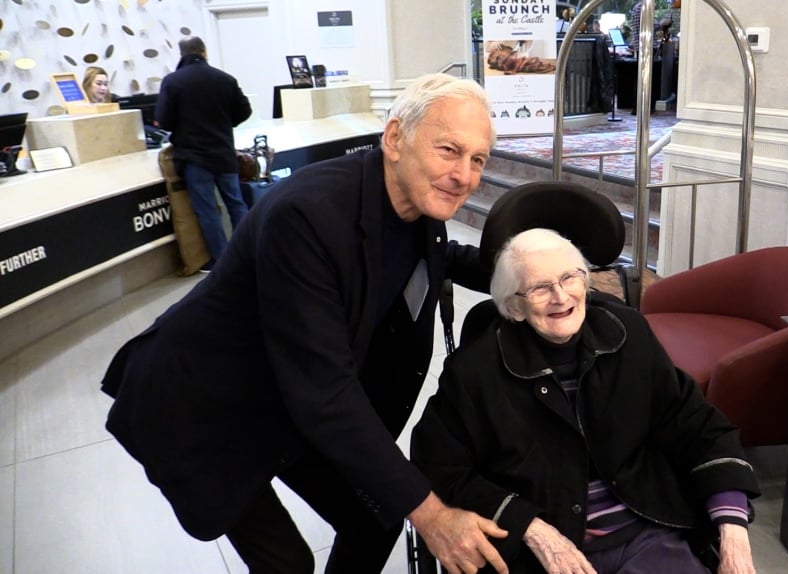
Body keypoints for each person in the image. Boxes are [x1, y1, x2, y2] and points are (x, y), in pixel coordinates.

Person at [101, 73, 509, 574]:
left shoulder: (415, 200)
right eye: (450, 150)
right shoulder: (307, 214)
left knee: (375, 516)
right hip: (204, 403)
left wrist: (537, 275)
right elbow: (324, 389)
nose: (464, 175)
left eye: (478, 160)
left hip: (284, 396)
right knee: (287, 563)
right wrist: (433, 515)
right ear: (396, 138)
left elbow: (445, 256)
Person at [412, 228, 761, 574]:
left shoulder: (628, 335)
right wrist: (533, 529)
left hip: (645, 531)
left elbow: (698, 426)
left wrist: (733, 533)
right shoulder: (476, 370)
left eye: (569, 278)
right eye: (540, 287)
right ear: (515, 307)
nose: (561, 297)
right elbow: (441, 467)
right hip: (537, 551)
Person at [155, 36, 251, 272]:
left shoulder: (173, 81)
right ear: (204, 52)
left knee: (207, 211)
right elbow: (244, 110)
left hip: (194, 158)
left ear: (181, 54)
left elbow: (164, 121)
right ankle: (248, 251)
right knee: (236, 204)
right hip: (224, 153)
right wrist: (224, 124)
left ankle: (222, 261)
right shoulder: (225, 79)